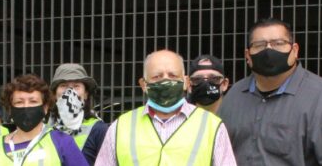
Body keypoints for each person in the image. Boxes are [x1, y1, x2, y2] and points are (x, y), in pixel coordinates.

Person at [218, 18, 322, 166]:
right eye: (259, 45)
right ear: (248, 55)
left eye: (278, 43)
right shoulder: (234, 96)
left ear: (295, 50)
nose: (268, 50)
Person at [95, 50, 236, 166]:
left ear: (186, 82)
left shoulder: (212, 126)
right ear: (143, 84)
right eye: (157, 76)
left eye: (172, 75)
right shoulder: (121, 126)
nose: (165, 80)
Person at [0, 74, 89, 165]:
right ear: (10, 109)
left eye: (33, 101)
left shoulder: (62, 142)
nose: (26, 106)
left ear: (45, 108)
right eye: (19, 102)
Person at [47, 63, 109, 165]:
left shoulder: (99, 130)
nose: (70, 92)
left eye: (76, 86)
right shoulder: (44, 129)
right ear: (54, 94)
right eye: (63, 86)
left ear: (86, 94)